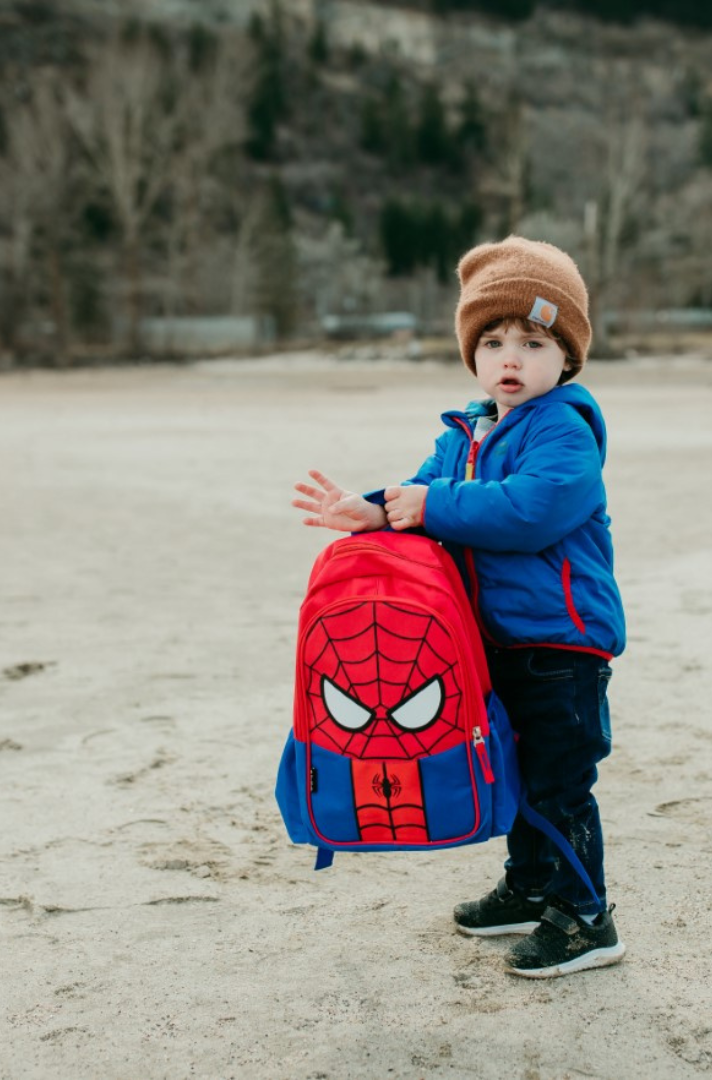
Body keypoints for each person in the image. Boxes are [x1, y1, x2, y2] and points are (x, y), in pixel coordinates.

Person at [292, 236, 626, 978]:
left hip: (561, 645)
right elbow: (418, 492)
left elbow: (529, 510)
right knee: (514, 771)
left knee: (560, 783)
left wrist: (429, 505)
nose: (512, 357)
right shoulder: (466, 435)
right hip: (493, 644)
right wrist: (372, 509)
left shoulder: (564, 431)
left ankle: (585, 917)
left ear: (566, 357)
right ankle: (531, 885)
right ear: (473, 355)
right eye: (495, 340)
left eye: (534, 342)